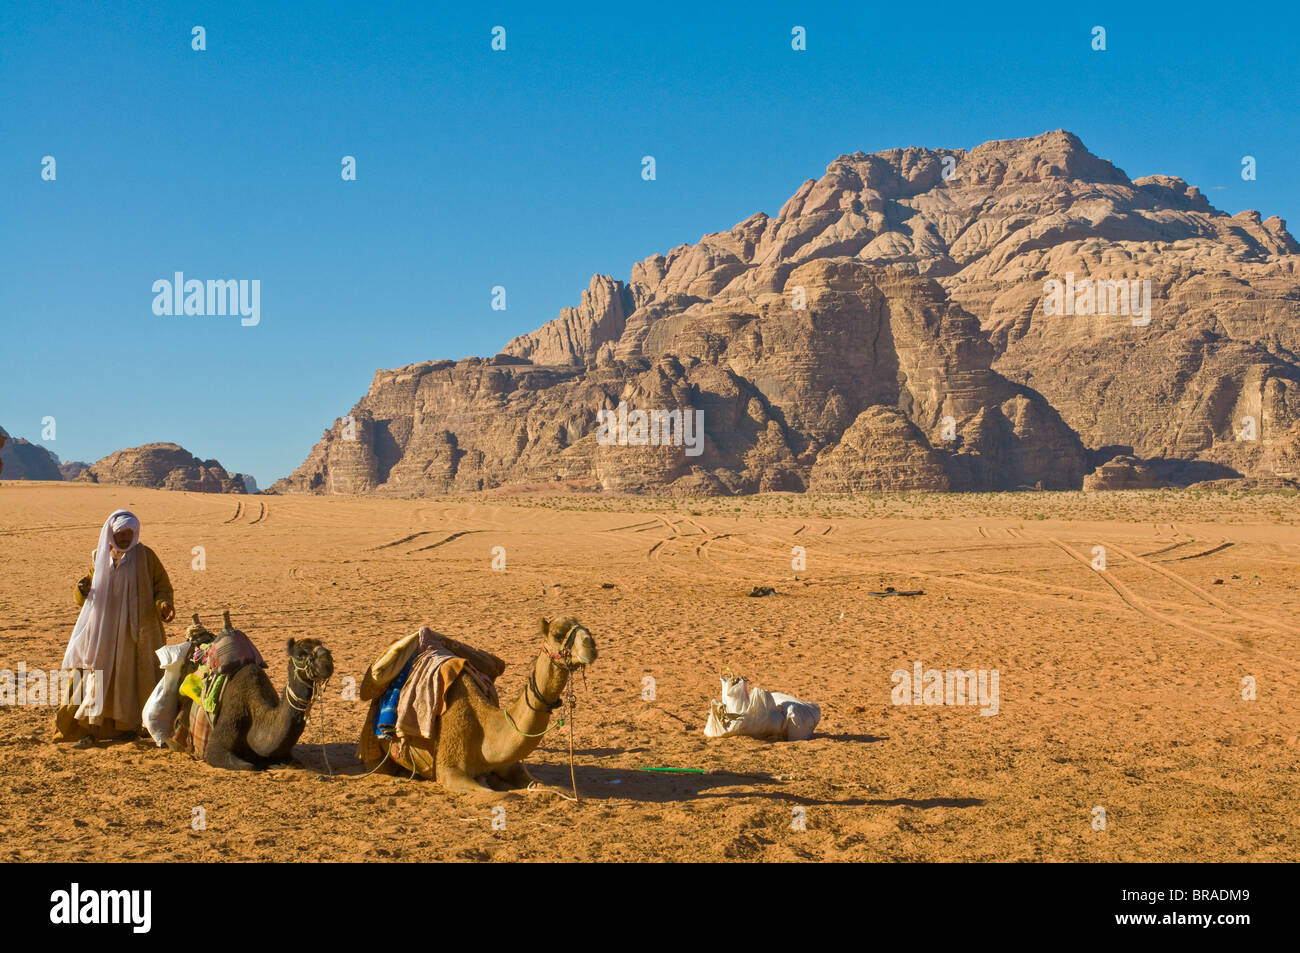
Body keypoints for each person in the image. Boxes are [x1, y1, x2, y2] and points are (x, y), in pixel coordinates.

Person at [56, 510, 175, 747]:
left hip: (135, 633)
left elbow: (162, 587)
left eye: (129, 533)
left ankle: (128, 728)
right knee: (97, 677)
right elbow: (84, 598)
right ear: (112, 533)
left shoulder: (146, 557)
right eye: (120, 533)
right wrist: (82, 590)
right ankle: (90, 727)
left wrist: (164, 605)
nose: (124, 538)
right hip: (104, 631)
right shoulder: (100, 557)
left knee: (130, 679)